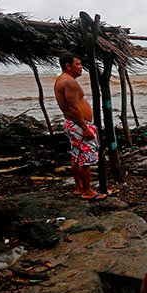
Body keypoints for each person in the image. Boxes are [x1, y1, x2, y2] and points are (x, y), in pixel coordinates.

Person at [54, 52, 106, 200]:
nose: (81, 67)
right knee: (85, 159)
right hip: (79, 125)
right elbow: (73, 107)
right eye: (78, 64)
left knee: (76, 157)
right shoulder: (69, 82)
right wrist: (84, 128)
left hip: (73, 124)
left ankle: (79, 187)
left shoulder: (62, 80)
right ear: (68, 66)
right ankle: (88, 191)